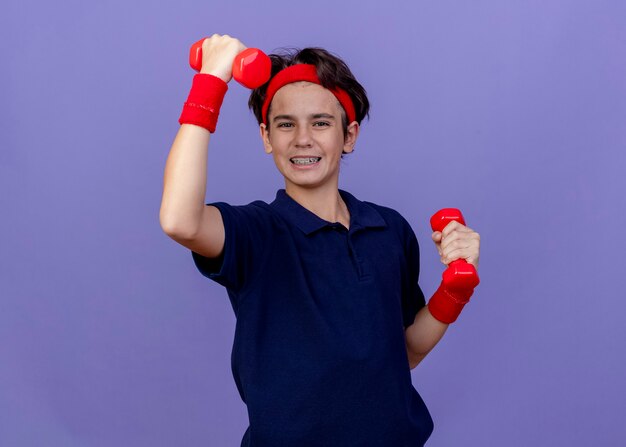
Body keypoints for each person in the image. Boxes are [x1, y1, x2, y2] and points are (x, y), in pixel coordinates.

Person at [160, 34, 481, 447]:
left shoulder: (389, 229)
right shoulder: (256, 232)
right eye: (286, 124)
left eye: (321, 123)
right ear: (266, 137)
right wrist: (212, 80)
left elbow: (404, 353)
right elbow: (178, 221)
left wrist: (453, 291)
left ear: (349, 136)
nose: (303, 139)